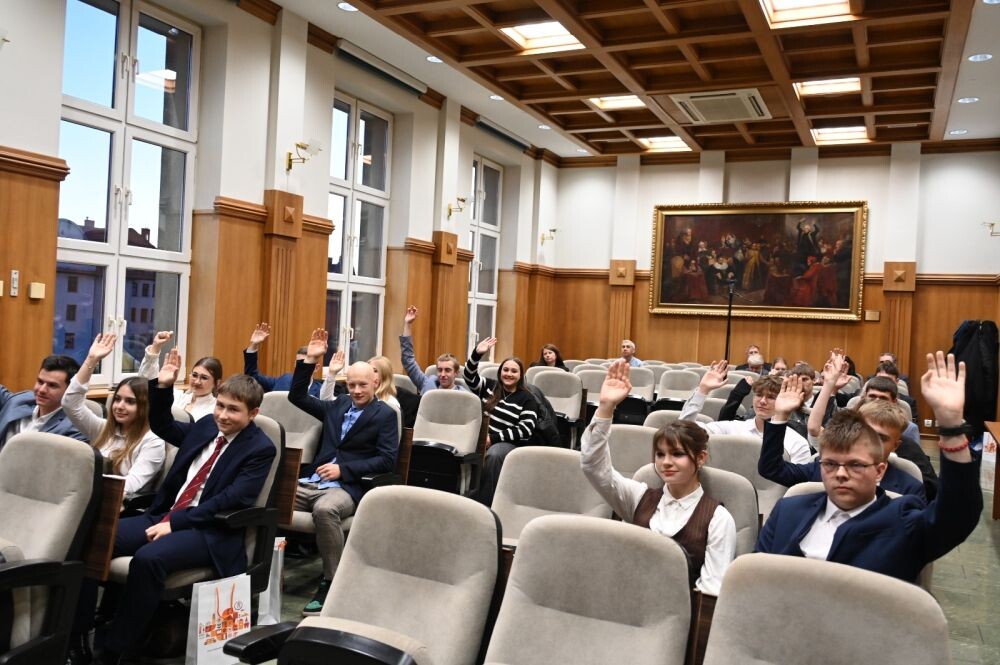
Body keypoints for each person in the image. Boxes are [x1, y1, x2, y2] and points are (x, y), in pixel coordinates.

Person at [94, 349, 275, 665]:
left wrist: (175, 524)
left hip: (210, 529)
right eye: (220, 405)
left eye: (233, 410)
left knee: (148, 559)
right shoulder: (206, 426)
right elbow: (163, 425)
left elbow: (231, 499)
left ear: (253, 413)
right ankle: (82, 630)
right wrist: (163, 387)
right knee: (97, 537)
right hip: (166, 513)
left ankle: (116, 649)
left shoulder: (260, 448)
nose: (223, 415)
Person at [755, 352, 982, 584]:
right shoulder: (788, 511)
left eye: (856, 465)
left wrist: (952, 426)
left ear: (880, 470)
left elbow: (956, 517)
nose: (841, 473)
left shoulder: (901, 520)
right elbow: (755, 579)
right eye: (830, 464)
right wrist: (780, 414)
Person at [581, 361, 736, 595]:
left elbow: (711, 591)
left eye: (677, 454)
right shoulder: (638, 497)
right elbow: (593, 467)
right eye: (660, 454)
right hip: (623, 597)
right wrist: (605, 408)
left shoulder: (719, 518)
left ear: (701, 458)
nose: (666, 462)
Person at [290, 329, 397, 615]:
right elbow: (297, 396)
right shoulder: (338, 405)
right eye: (351, 385)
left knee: (325, 510)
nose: (357, 391)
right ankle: (250, 571)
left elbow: (387, 461)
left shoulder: (385, 415)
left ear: (375, 382)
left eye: (363, 384)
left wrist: (343, 470)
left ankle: (331, 581)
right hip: (311, 481)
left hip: (347, 486)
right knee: (265, 495)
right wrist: (310, 361)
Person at [758, 375, 924, 499]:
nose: (870, 444)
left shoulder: (909, 488)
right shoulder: (824, 467)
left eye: (881, 438)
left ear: (895, 445)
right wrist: (780, 415)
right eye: (865, 433)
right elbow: (771, 469)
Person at [808, 354, 938, 500]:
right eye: (872, 397)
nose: (876, 402)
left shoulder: (908, 449)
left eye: (881, 437)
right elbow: (814, 429)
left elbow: (931, 491)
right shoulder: (846, 437)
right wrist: (829, 385)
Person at [61, 333, 165, 498]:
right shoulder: (103, 429)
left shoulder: (152, 441)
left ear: (144, 407)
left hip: (117, 505)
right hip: (84, 495)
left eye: (130, 402)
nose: (119, 406)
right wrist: (92, 360)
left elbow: (129, 486)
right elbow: (70, 403)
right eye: (117, 399)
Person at [681, 361, 811, 463]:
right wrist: (702, 390)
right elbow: (684, 431)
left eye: (771, 397)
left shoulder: (797, 443)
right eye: (759, 395)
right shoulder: (732, 428)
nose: (762, 401)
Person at [465, 337, 540, 506]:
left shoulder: (527, 399)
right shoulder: (490, 387)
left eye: (514, 371)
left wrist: (493, 439)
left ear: (520, 375)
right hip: (481, 439)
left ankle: (486, 504)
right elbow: (469, 377)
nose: (509, 374)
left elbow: (525, 429)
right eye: (505, 370)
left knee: (495, 454)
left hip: (508, 444)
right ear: (500, 372)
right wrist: (477, 354)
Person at [0, 354, 87, 447]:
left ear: (70, 390)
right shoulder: (22, 400)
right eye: (40, 382)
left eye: (52, 385)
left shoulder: (74, 429)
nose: (42, 390)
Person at [138, 331, 221, 420]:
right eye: (194, 375)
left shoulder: (215, 409)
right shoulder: (179, 397)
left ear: (217, 383)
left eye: (204, 378)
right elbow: (146, 385)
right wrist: (155, 348)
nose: (197, 381)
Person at [399, 306, 468, 393]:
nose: (442, 374)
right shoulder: (428, 384)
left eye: (447, 370)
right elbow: (408, 360)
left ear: (456, 373)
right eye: (440, 370)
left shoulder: (464, 395)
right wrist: (407, 324)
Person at [244, 322, 322, 397]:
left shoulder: (321, 391)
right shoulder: (284, 380)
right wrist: (254, 345)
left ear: (316, 368)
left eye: (305, 363)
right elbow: (253, 377)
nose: (301, 367)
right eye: (298, 363)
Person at [320, 351, 399, 412]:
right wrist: (332, 373)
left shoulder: (391, 403)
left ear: (384, 376)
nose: (369, 372)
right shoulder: (355, 395)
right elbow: (326, 401)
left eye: (374, 370)